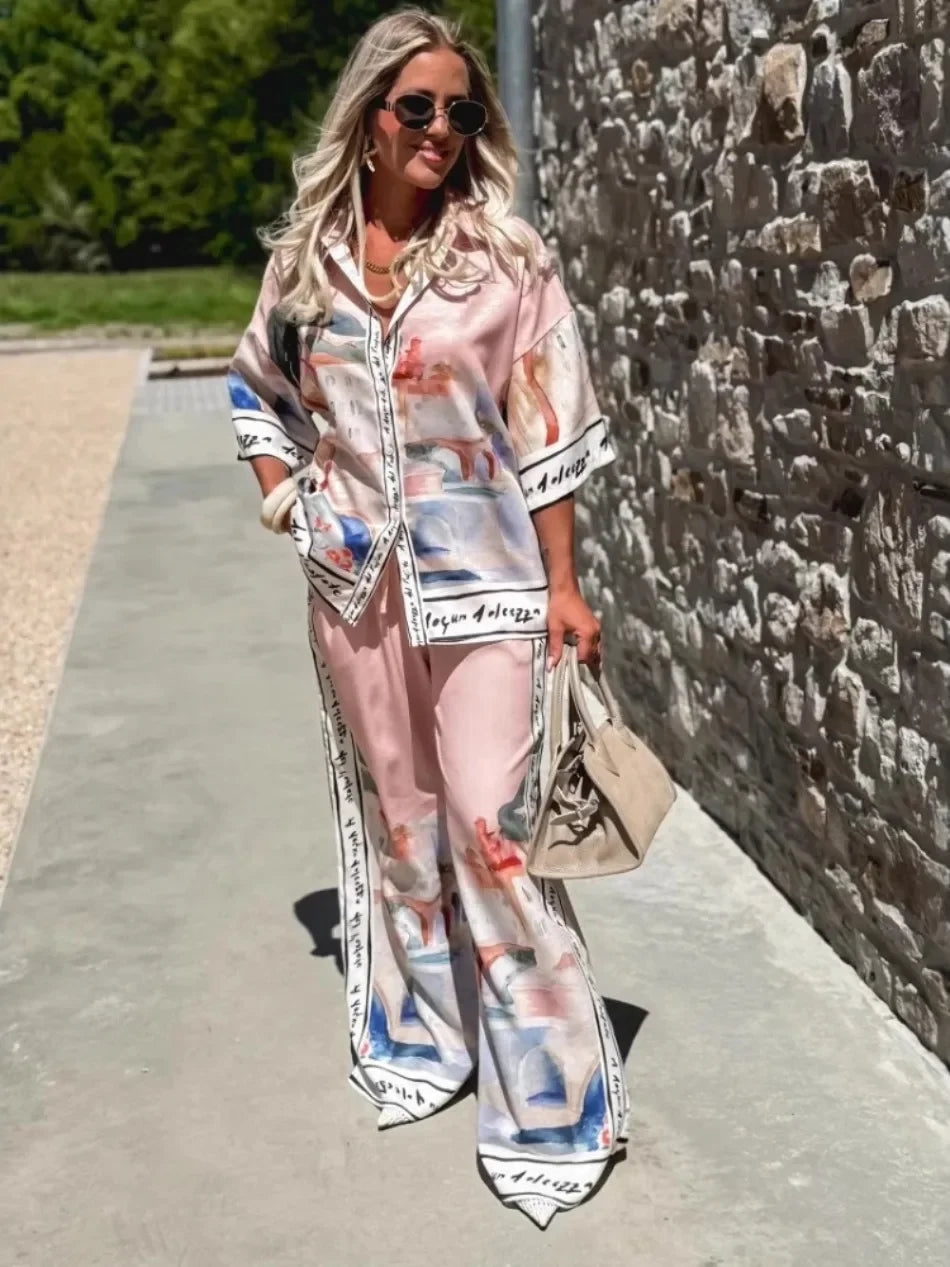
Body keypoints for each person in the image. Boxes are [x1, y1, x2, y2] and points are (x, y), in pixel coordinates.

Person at [227, 7, 627, 1229]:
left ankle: (551, 1099)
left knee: (489, 830)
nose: (442, 131)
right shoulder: (306, 261)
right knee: (402, 826)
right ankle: (422, 1040)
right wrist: (289, 501)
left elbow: (547, 431)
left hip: (489, 582)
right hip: (354, 587)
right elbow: (257, 392)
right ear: (369, 114)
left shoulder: (506, 258)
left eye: (462, 110)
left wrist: (564, 586)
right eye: (419, 108)